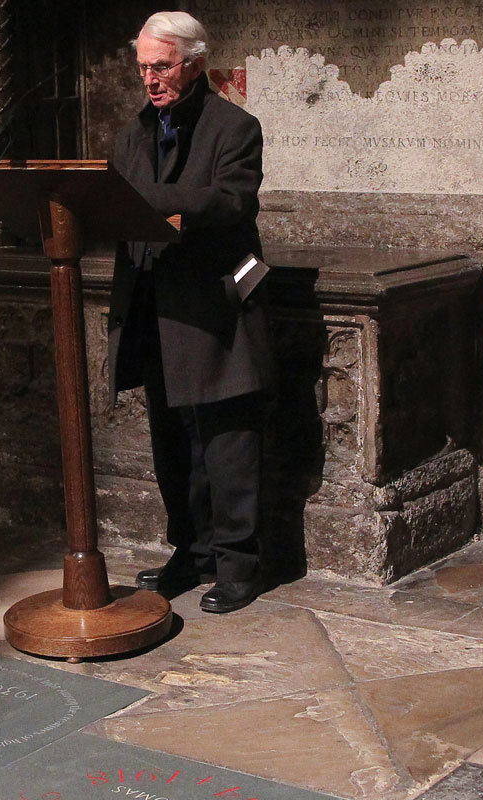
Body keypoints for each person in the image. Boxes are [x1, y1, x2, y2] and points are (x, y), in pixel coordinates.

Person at [108, 10, 275, 614]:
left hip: (214, 309)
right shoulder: (134, 133)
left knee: (227, 443)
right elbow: (116, 200)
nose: (150, 79)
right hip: (153, 307)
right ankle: (191, 549)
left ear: (195, 64)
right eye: (143, 68)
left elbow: (230, 201)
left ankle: (238, 563)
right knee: (172, 442)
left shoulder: (235, 127)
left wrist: (144, 198)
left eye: (161, 67)